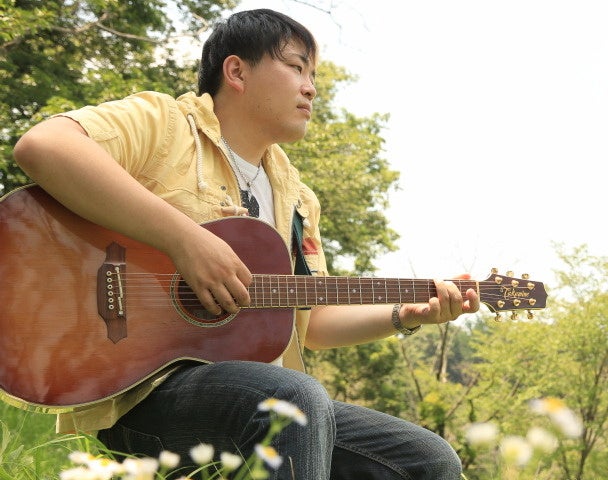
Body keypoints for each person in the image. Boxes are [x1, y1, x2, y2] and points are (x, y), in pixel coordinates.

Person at [12, 8, 479, 479]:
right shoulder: (166, 125)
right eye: (296, 68)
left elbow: (312, 323)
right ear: (236, 71)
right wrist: (185, 240)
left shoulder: (297, 200)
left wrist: (405, 314)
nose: (311, 88)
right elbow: (45, 145)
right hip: (136, 392)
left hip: (255, 395)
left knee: (426, 459)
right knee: (293, 399)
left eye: (313, 75)